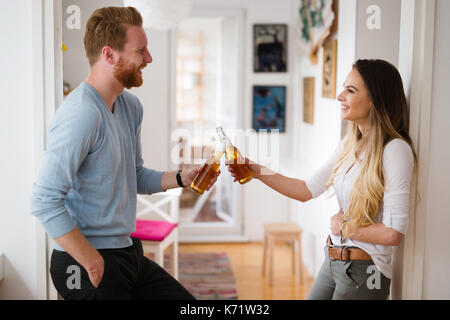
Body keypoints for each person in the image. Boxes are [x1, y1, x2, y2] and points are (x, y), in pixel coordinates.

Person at [30, 6, 219, 300]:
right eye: (140, 50)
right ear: (109, 55)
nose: (149, 58)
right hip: (81, 263)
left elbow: (135, 175)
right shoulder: (81, 114)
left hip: (126, 251)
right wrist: (91, 260)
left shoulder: (131, 107)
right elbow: (44, 201)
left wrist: (182, 177)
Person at [228, 59, 417, 300]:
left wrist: (345, 227)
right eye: (343, 88)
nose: (340, 96)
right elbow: (306, 189)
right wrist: (256, 171)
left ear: (375, 100)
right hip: (332, 260)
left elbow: (393, 234)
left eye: (350, 90)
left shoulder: (395, 150)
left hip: (364, 272)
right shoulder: (349, 145)